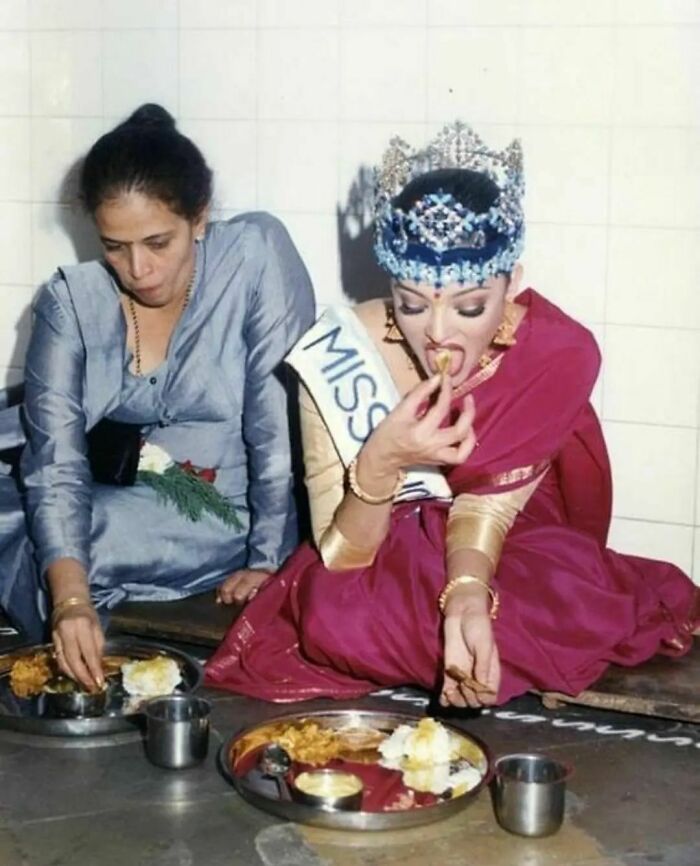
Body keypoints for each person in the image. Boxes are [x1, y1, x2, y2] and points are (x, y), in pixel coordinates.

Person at [205, 121, 698, 708]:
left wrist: (467, 591)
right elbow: (342, 556)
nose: (438, 333)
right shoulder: (337, 349)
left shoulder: (552, 352)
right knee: (331, 613)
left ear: (511, 283)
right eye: (411, 304)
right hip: (375, 546)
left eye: (469, 307)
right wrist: (383, 461)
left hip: (505, 543)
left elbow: (489, 504)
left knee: (562, 602)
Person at [0, 104, 315, 691]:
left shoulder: (254, 255)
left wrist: (267, 560)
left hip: (222, 508)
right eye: (114, 246)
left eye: (157, 242)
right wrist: (70, 601)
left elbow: (277, 425)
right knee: (50, 528)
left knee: (71, 539)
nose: (138, 269)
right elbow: (55, 461)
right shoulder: (71, 301)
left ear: (200, 217)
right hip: (108, 483)